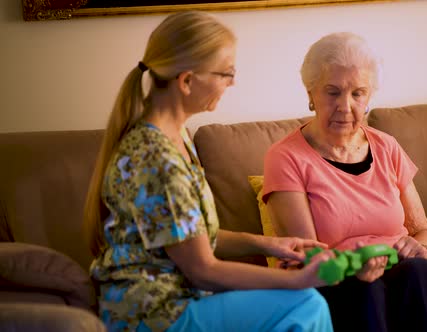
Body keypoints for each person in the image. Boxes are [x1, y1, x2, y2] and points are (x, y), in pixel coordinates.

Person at [83, 11, 335, 332]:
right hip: (152, 313)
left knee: (302, 301)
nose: (233, 82)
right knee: (306, 304)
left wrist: (269, 245)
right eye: (226, 73)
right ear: (187, 81)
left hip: (179, 299)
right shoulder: (156, 158)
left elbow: (192, 239)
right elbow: (203, 269)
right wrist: (297, 279)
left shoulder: (176, 139)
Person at [262, 32, 427, 332]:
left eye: (357, 93)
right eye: (332, 92)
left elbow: (424, 230)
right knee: (364, 289)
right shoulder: (286, 157)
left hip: (399, 271)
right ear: (311, 94)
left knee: (422, 273)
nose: (345, 105)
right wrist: (357, 265)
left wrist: (422, 248)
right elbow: (308, 256)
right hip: (334, 279)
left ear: (369, 97)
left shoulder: (386, 146)